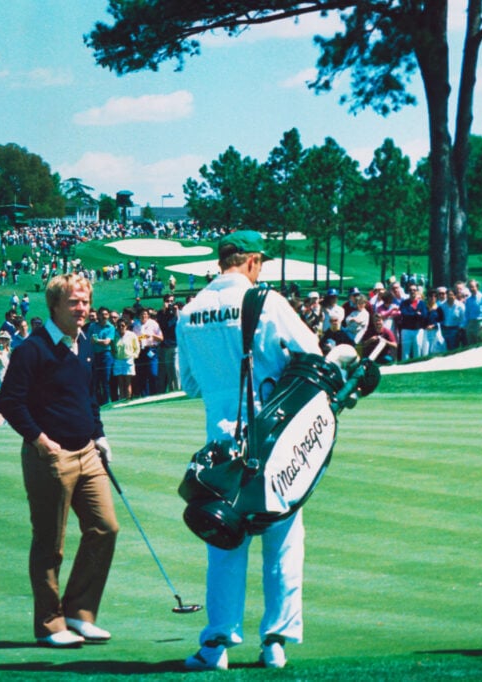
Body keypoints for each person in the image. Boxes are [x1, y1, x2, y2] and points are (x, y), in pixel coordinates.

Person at [176, 230, 321, 671]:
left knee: (224, 545)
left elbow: (189, 384)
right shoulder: (266, 301)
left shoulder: (188, 312)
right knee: (282, 542)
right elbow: (311, 354)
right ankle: (275, 642)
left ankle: (216, 645)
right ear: (254, 261)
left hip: (219, 448)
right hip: (272, 441)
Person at [0, 273, 119, 649]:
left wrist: (98, 435)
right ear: (55, 306)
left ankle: (79, 613)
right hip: (50, 455)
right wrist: (39, 439)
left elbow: (89, 397)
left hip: (87, 451)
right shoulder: (32, 348)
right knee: (50, 543)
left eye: (85, 302)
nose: (83, 309)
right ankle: (50, 624)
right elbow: (10, 402)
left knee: (105, 528)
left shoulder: (86, 346)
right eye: (75, 303)